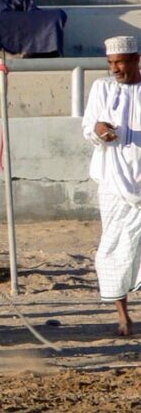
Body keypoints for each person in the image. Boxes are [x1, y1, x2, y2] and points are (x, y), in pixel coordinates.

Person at [83, 35, 141, 336]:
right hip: (113, 183)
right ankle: (123, 316)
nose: (115, 68)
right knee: (115, 246)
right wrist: (100, 130)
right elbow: (89, 125)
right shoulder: (102, 88)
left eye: (120, 62)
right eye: (110, 63)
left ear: (136, 59)